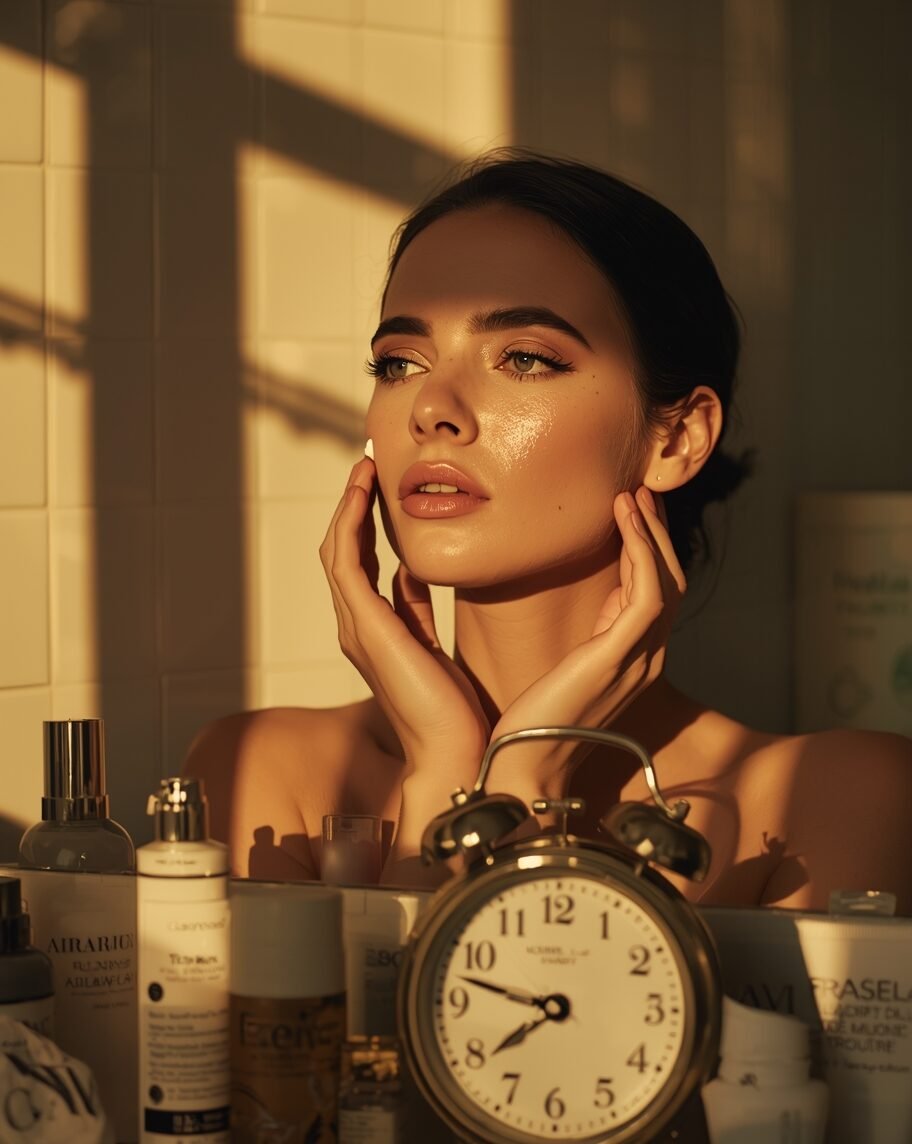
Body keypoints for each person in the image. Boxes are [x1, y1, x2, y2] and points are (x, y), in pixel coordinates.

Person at [185, 150, 912, 911]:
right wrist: (443, 772)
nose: (430, 408)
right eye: (399, 364)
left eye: (525, 359)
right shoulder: (264, 771)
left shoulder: (822, 802)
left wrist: (524, 781)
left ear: (676, 438)